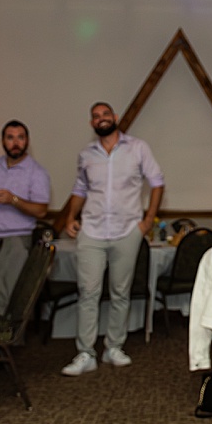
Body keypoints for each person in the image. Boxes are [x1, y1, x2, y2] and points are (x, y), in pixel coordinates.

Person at [60, 102, 165, 376]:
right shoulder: (86, 154)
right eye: (96, 116)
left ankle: (114, 347)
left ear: (115, 118)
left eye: (106, 114)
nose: (101, 119)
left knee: (120, 292)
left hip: (127, 230)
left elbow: (157, 182)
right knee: (88, 292)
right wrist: (71, 217)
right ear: (92, 123)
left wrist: (147, 221)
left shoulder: (138, 148)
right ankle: (85, 353)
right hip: (91, 231)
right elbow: (79, 188)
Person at [0, 120, 51, 315]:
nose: (15, 142)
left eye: (20, 137)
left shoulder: (37, 172)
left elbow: (41, 211)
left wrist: (14, 200)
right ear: (3, 141)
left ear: (27, 141)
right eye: (10, 137)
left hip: (16, 239)